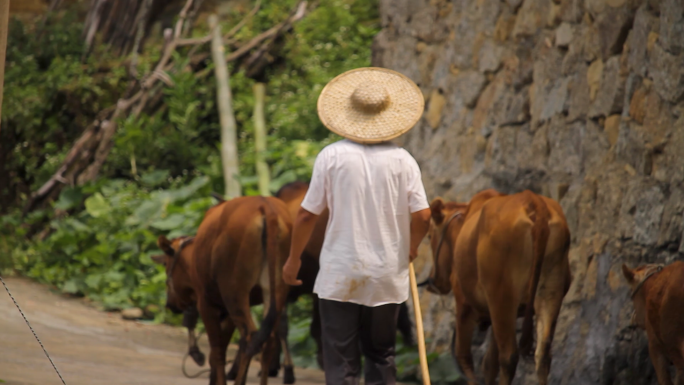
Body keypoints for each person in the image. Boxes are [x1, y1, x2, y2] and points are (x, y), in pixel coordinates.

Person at [282, 67, 432, 385]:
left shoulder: (331, 156)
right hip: (386, 275)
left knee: (341, 361)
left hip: (340, 272)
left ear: (349, 114)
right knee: (381, 355)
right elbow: (423, 217)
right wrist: (412, 247)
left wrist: (293, 259)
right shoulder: (404, 160)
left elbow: (307, 215)